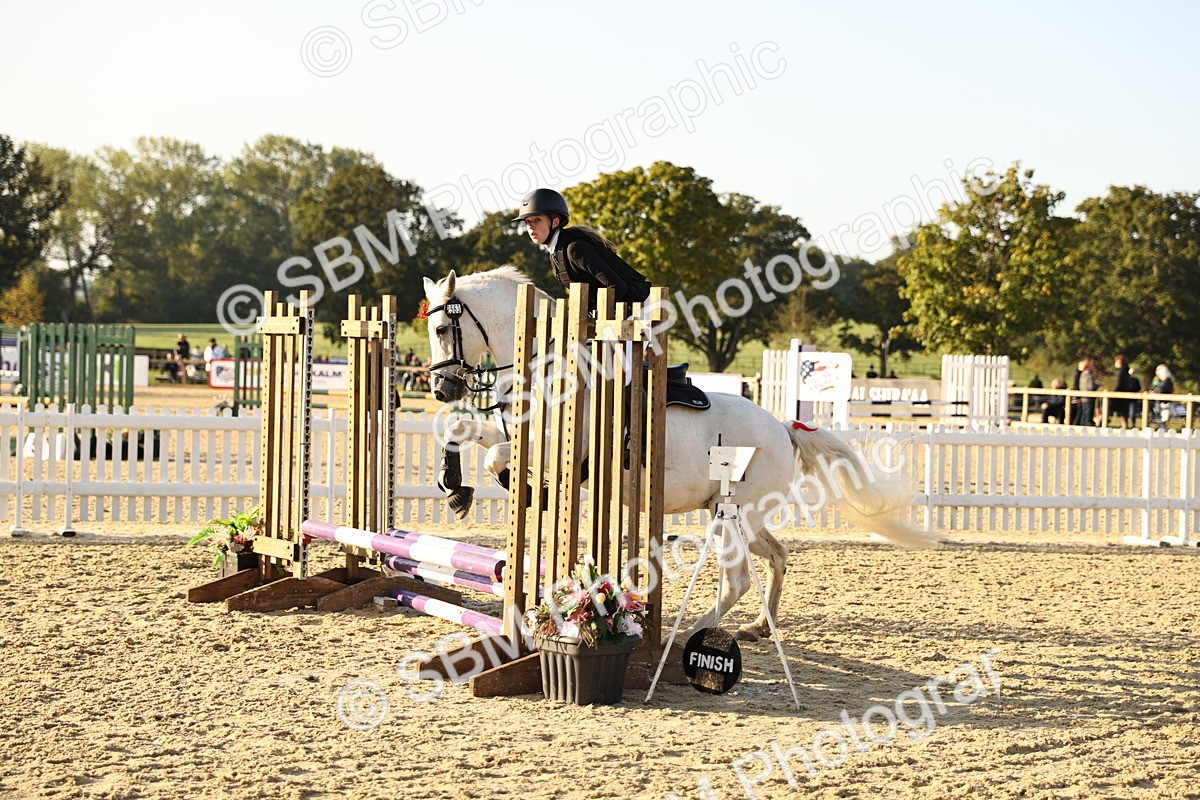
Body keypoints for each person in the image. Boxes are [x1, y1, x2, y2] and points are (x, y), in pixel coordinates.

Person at [513, 188, 651, 311]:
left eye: (537, 220)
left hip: (640, 307)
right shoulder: (556, 252)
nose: (531, 227)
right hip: (620, 310)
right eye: (528, 222)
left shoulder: (575, 249)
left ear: (555, 221)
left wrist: (595, 315)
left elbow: (617, 287)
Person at [1110, 355, 1137, 427]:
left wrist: (1113, 391)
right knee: (1124, 411)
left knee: (1109, 408)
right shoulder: (1126, 371)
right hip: (1125, 393)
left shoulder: (1121, 372)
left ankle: (1102, 422)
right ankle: (1125, 424)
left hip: (1119, 394)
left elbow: (1118, 383)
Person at [1072, 359, 1097, 426]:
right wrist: (1097, 385)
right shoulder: (1089, 375)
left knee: (1083, 414)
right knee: (1088, 414)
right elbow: (1091, 386)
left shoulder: (1082, 375)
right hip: (1089, 397)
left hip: (1083, 396)